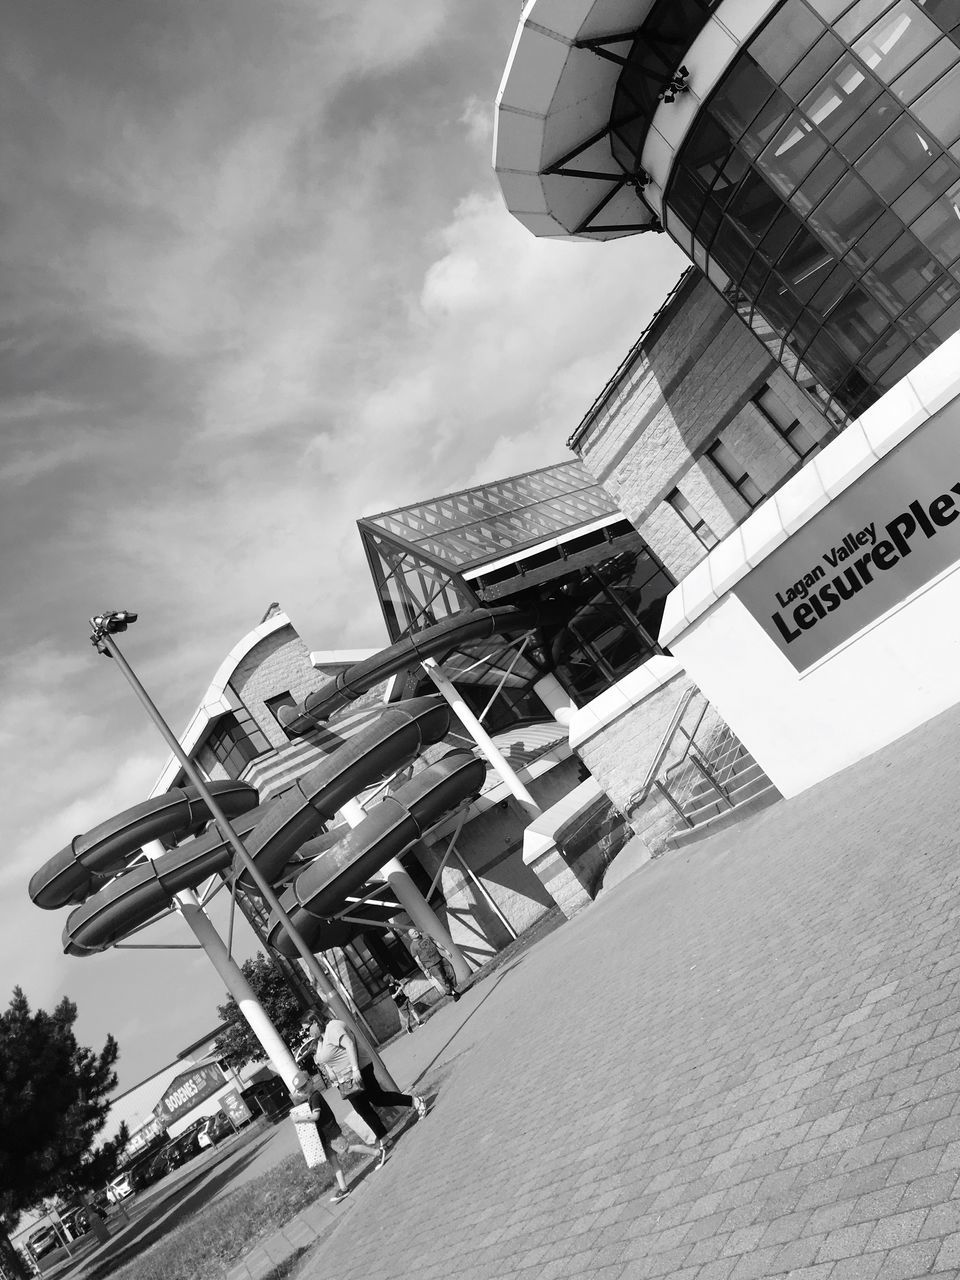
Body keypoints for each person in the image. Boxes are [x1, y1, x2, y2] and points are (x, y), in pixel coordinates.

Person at [313, 1014, 427, 1144]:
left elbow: (349, 1044)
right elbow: (320, 1058)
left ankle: (416, 1101)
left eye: (307, 1027)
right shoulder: (322, 1038)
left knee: (378, 1098)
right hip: (345, 1079)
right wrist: (319, 1041)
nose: (308, 1031)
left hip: (360, 1069)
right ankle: (384, 1139)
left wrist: (355, 1069)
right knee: (362, 1109)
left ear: (315, 1022)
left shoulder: (333, 1027)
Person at [290, 1069, 385, 1203]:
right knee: (334, 1162)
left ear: (311, 1081)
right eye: (300, 1089)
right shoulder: (311, 1099)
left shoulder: (316, 1097)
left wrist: (299, 1119)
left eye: (304, 1085)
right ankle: (344, 1188)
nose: (303, 1090)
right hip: (324, 1136)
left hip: (330, 1132)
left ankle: (377, 1152)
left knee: (348, 1149)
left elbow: (316, 1116)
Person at [408, 928, 460, 1001]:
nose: (415, 933)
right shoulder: (412, 947)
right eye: (413, 933)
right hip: (431, 965)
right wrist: (425, 971)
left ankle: (451, 990)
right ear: (411, 937)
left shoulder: (425, 935)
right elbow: (418, 960)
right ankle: (453, 992)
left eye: (415, 931)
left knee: (450, 971)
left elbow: (436, 943)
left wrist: (446, 950)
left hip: (440, 958)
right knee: (442, 979)